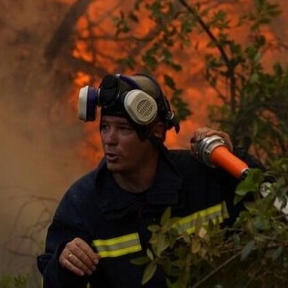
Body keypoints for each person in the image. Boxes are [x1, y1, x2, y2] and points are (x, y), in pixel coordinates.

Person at [37, 72, 262, 287]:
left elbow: (265, 200)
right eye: (105, 127)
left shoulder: (201, 178)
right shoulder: (83, 204)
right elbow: (53, 283)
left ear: (156, 131)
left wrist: (232, 158)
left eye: (123, 129)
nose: (109, 140)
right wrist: (64, 263)